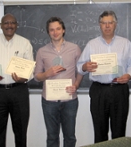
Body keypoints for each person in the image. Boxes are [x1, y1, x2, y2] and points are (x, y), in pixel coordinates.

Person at [77, 10, 131, 143]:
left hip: (119, 90)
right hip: (99, 91)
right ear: (99, 25)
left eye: (110, 23)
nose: (107, 26)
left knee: (119, 131)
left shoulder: (125, 43)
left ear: (115, 24)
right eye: (104, 23)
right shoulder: (91, 44)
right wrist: (85, 67)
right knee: (100, 131)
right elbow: (79, 67)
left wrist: (128, 75)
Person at [0, 13, 33, 147]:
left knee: (20, 131)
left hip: (19, 91)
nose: (9, 25)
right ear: (1, 26)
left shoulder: (25, 43)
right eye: (6, 23)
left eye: (12, 23)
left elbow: (30, 68)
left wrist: (23, 78)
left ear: (17, 25)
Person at [34, 17, 83, 147]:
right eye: (52, 30)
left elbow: (81, 71)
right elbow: (36, 76)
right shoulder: (41, 52)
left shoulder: (75, 49)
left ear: (63, 30)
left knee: (70, 138)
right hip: (49, 102)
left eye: (58, 29)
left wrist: (76, 85)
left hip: (70, 101)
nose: (55, 32)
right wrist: (47, 74)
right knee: (52, 138)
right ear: (48, 32)